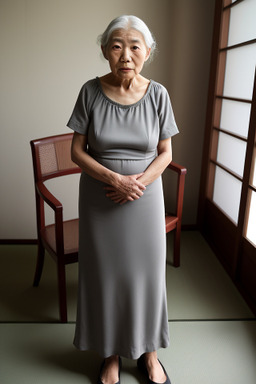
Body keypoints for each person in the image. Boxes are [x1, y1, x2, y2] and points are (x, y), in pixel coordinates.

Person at [67, 15, 179, 384]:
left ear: (147, 52)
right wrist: (114, 178)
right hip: (100, 196)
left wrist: (138, 184)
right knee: (104, 276)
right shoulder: (89, 91)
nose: (126, 54)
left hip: (144, 200)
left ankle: (149, 355)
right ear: (105, 51)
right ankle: (110, 355)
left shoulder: (159, 94)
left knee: (146, 276)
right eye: (117, 46)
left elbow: (165, 153)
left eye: (134, 46)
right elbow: (77, 152)